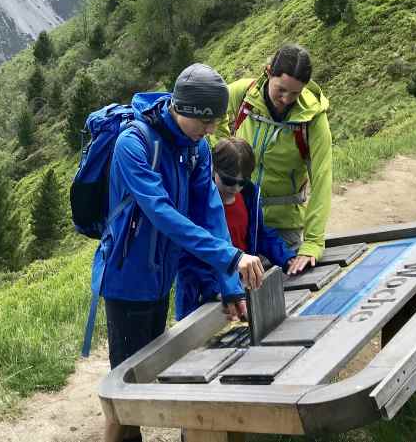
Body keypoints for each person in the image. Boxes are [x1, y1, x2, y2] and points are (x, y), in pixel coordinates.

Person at [94, 63, 265, 442]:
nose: (210, 132)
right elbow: (163, 214)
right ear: (184, 110)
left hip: (160, 277)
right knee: (124, 387)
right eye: (206, 123)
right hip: (126, 280)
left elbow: (210, 214)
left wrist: (230, 283)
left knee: (146, 371)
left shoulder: (196, 149)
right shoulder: (132, 145)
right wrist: (233, 258)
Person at [216, 44, 332, 271]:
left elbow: (322, 179)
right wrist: (222, 151)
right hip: (237, 213)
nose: (287, 99)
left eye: (295, 93)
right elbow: (213, 116)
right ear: (268, 72)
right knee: (233, 294)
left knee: (282, 295)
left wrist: (313, 243)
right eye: (281, 90)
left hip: (283, 227)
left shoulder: (313, 119)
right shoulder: (243, 94)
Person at [175, 137, 298, 320]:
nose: (235, 188)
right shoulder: (196, 205)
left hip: (240, 291)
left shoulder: (248, 196)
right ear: (213, 169)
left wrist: (287, 259)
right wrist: (215, 290)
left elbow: (262, 235)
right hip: (203, 299)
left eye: (242, 182)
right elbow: (188, 259)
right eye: (229, 181)